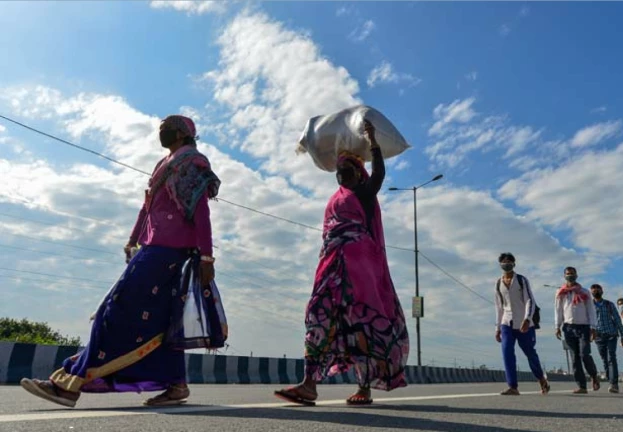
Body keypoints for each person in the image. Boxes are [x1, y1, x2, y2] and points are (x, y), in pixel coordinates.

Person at [20, 115, 225, 407]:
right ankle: (177, 385)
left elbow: (201, 211)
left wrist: (207, 256)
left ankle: (69, 383)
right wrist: (132, 240)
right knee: (161, 321)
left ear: (181, 134)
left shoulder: (191, 162)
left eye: (166, 128)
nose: (161, 132)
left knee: (113, 309)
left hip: (166, 252)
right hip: (152, 248)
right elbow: (147, 207)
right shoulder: (163, 164)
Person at [275, 120, 408, 406]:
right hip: (330, 265)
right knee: (318, 315)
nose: (341, 175)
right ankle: (309, 384)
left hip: (360, 269)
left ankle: (364, 387)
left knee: (361, 323)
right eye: (339, 171)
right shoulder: (336, 199)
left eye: (347, 169)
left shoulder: (363, 192)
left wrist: (372, 139)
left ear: (359, 174)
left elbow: (380, 173)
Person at [494, 253, 550, 395]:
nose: (506, 264)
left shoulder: (521, 280)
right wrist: (498, 327)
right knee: (507, 352)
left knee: (530, 353)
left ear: (514, 263)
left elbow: (529, 300)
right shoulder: (498, 283)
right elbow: (499, 307)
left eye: (509, 261)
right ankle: (513, 386)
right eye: (504, 262)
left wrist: (527, 319)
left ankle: (541, 378)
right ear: (500, 265)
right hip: (506, 323)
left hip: (524, 323)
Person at [555, 267, 600, 394]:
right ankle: (582, 386)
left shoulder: (584, 292)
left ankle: (594, 375)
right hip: (568, 328)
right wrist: (557, 326)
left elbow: (591, 310)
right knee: (575, 358)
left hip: (583, 327)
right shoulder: (561, 292)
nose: (570, 276)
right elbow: (558, 310)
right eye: (568, 274)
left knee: (584, 354)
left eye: (572, 274)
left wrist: (593, 327)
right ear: (564, 276)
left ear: (576, 275)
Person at [590, 284, 623, 393]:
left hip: (611, 335)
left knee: (611, 357)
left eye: (598, 290)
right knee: (604, 359)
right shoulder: (589, 305)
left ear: (602, 291)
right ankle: (609, 376)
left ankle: (614, 384)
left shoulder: (609, 305)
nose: (596, 292)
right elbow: (588, 320)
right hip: (598, 336)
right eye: (593, 290)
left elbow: (617, 320)